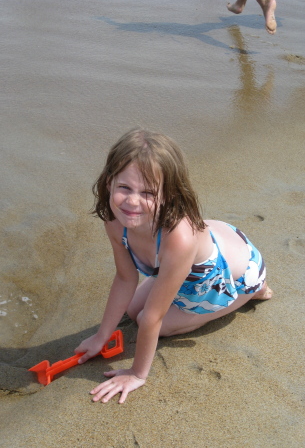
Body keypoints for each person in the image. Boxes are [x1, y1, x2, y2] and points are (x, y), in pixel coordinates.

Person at [74, 128, 272, 403]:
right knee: (132, 311)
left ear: (169, 194)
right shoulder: (114, 220)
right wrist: (100, 337)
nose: (132, 201)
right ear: (109, 182)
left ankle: (254, 290)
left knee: (145, 318)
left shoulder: (178, 238)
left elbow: (154, 317)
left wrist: (137, 373)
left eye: (148, 192)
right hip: (196, 257)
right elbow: (124, 278)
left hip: (234, 272)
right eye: (124, 188)